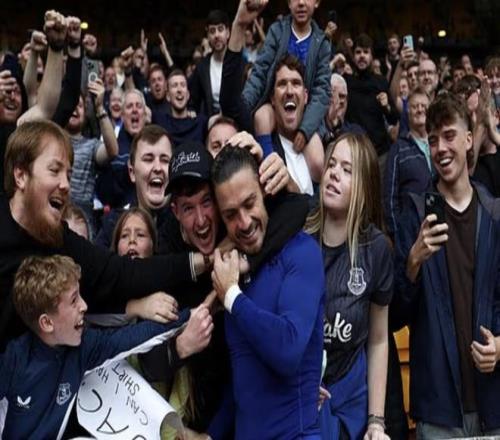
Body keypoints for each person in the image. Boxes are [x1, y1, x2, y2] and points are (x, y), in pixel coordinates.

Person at [0, 120, 209, 350]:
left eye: (69, 174)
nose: (66, 185)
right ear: (20, 175)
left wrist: (204, 260)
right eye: (54, 170)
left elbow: (122, 274)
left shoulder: (60, 239)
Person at [180, 146, 324, 440]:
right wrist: (212, 434)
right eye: (231, 214)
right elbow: (246, 379)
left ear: (265, 194)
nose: (244, 222)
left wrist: (232, 297)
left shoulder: (302, 252)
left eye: (250, 204)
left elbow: (288, 351)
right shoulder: (235, 273)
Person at [393, 94, 500, 438]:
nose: (440, 148)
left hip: (494, 402)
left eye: (449, 135)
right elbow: (395, 316)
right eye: (433, 139)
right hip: (438, 409)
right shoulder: (415, 212)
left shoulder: (494, 213)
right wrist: (412, 263)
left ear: (469, 139)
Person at [0, 254, 194, 439]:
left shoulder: (84, 347)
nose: (84, 306)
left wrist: (190, 315)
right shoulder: (12, 361)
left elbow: (130, 338)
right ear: (47, 323)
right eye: (74, 300)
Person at [306, 133, 392, 440]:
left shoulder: (377, 249)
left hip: (350, 403)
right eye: (331, 165)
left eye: (347, 169)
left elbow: (379, 339)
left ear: (364, 187)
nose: (334, 174)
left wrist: (376, 421)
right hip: (301, 397)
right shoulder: (300, 235)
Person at [240, 0, 330, 184]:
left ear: (317, 3)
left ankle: (313, 198)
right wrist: (243, 106)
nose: (301, 3)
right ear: (288, 3)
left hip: (307, 112)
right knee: (261, 116)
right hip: (277, 105)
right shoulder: (277, 31)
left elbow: (322, 91)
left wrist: (306, 129)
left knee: (318, 162)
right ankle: (269, 170)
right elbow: (260, 71)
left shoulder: (322, 42)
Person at [95, 124, 173, 248]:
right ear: (132, 172)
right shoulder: (113, 225)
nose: (158, 168)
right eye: (148, 159)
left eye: (165, 160)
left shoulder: (185, 224)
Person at [345, 33, 399, 172]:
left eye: (366, 52)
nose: (362, 56)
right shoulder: (346, 82)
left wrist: (386, 106)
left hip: (380, 154)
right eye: (358, 52)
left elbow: (393, 118)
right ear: (353, 56)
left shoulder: (380, 81)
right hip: (355, 154)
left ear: (371, 56)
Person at [384, 87, 433, 238]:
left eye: (424, 106)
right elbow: (389, 197)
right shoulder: (398, 149)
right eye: (415, 106)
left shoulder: (439, 145)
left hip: (441, 227)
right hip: (410, 234)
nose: (420, 110)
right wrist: (397, 236)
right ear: (407, 111)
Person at [188, 10, 231, 116]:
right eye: (212, 31)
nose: (216, 35)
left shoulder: (239, 63)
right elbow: (193, 101)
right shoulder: (202, 67)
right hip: (210, 120)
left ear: (228, 33)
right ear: (208, 36)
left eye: (220, 29)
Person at [152, 69, 208, 146]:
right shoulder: (159, 121)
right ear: (168, 96)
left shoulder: (201, 123)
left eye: (183, 85)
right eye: (174, 85)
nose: (179, 90)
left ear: (188, 95)